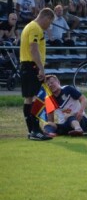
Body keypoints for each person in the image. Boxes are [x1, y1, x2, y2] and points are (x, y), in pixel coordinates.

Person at [20, 8, 55, 140]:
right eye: (50, 22)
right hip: (32, 65)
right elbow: (33, 48)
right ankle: (35, 129)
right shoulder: (35, 28)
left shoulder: (29, 26)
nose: (49, 26)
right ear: (46, 18)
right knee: (37, 98)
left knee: (29, 98)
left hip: (26, 65)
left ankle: (33, 130)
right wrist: (41, 68)